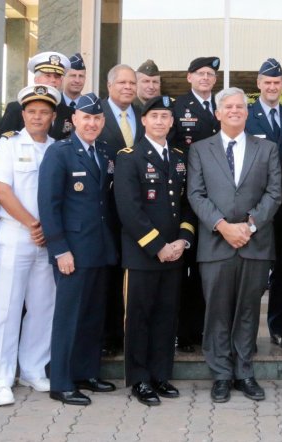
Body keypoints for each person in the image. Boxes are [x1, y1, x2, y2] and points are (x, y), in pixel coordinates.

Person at [186, 87, 282, 403]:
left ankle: (244, 372)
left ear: (247, 112)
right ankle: (221, 375)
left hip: (254, 243)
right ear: (218, 112)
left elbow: (274, 193)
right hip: (216, 243)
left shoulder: (266, 149)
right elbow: (196, 194)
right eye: (228, 107)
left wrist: (250, 225)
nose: (235, 111)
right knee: (217, 311)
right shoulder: (200, 149)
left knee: (247, 310)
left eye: (240, 106)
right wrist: (224, 226)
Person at [38, 93, 119, 406]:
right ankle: (61, 381)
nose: (93, 123)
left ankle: (86, 372)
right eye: (87, 118)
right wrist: (60, 250)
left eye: (97, 118)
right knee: (68, 317)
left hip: (99, 248)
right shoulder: (60, 153)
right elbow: (49, 204)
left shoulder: (104, 151)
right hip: (72, 250)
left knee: (92, 315)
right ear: (73, 121)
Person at [114, 96, 195, 406]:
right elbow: (129, 209)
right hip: (143, 254)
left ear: (172, 122)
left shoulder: (178, 157)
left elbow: (187, 205)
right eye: (154, 116)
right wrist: (158, 246)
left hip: (174, 254)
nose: (160, 121)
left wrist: (182, 242)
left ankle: (161, 375)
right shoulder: (130, 156)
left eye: (165, 116)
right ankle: (139, 379)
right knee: (139, 317)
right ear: (144, 122)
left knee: (166, 317)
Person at [0, 85, 61, 406]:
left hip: (49, 239)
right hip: (17, 234)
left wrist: (49, 231)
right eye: (32, 112)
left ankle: (32, 368)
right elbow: (2, 191)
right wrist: (33, 224)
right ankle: (0, 378)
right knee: (6, 307)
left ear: (53, 117)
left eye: (44, 112)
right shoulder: (9, 145)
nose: (38, 117)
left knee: (44, 307)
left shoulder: (59, 148)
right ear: (23, 114)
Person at [245, 58, 282, 350]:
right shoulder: (245, 114)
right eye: (267, 82)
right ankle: (246, 334)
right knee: (253, 272)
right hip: (254, 206)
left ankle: (279, 329)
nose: (272, 87)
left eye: (277, 82)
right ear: (258, 85)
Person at [173, 56, 222, 353]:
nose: (205, 78)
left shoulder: (221, 107)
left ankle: (205, 330)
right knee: (186, 271)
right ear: (189, 77)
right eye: (200, 73)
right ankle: (184, 332)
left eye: (210, 74)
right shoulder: (177, 108)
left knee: (209, 271)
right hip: (187, 196)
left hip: (217, 198)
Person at [96, 63, 145, 357]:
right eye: (122, 83)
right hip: (104, 208)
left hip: (137, 209)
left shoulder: (142, 115)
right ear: (109, 85)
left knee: (132, 275)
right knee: (107, 276)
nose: (128, 87)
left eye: (132, 83)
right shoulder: (95, 114)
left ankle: (128, 334)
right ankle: (106, 336)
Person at [0, 52, 70, 135]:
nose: (53, 80)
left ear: (61, 81)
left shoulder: (67, 112)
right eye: (48, 75)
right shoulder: (16, 109)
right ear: (36, 80)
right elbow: (2, 141)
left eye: (57, 77)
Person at [52, 52, 87, 140]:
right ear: (63, 78)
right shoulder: (54, 104)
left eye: (81, 76)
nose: (77, 80)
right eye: (73, 76)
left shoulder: (89, 106)